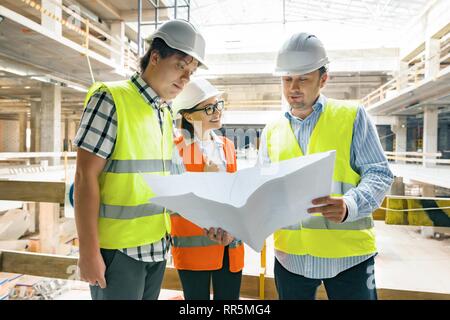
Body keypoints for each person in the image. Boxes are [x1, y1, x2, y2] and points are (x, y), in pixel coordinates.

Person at [73, 19, 207, 300]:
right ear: (155, 57)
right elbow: (85, 177)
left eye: (191, 72)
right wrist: (88, 251)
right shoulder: (110, 99)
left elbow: (172, 183)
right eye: (181, 66)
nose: (185, 79)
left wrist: (212, 221)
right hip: (118, 253)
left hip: (156, 246)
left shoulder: (165, 112)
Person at [258, 32, 394, 300]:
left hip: (349, 258)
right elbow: (263, 190)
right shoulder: (272, 130)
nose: (293, 88)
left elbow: (379, 173)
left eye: (303, 79)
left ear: (323, 79)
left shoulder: (352, 116)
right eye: (287, 79)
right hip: (290, 258)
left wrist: (349, 205)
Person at [170, 78, 244, 300]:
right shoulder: (176, 150)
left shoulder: (227, 146)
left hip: (230, 248)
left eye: (218, 104)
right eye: (209, 108)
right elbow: (175, 200)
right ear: (189, 116)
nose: (217, 112)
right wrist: (205, 179)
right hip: (195, 252)